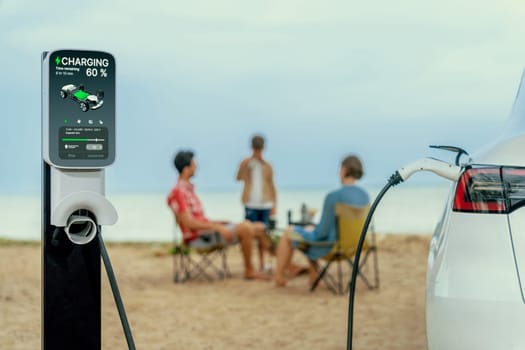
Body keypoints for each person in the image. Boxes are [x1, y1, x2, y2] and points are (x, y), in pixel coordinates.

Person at [167, 150, 269, 280]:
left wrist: (220, 223)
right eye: (194, 164)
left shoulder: (187, 190)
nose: (196, 166)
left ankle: (269, 265)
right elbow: (189, 223)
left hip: (207, 232)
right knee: (246, 228)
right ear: (187, 168)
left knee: (260, 227)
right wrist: (217, 227)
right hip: (200, 239)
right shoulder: (179, 192)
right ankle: (249, 271)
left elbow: (199, 219)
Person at [274, 154, 370, 287]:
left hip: (331, 247)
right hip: (355, 245)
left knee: (288, 232)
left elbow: (321, 234)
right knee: (307, 231)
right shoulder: (365, 196)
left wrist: (310, 230)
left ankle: (279, 277)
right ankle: (313, 276)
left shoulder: (333, 196)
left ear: (343, 170)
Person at [236, 134, 277, 270]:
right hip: (250, 204)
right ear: (252, 148)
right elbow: (238, 178)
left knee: (264, 235)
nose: (258, 152)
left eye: (259, 150)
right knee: (249, 234)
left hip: (265, 204)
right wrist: (244, 165)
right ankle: (249, 264)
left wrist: (274, 204)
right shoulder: (247, 164)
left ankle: (262, 263)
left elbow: (272, 186)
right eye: (256, 149)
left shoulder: (267, 166)